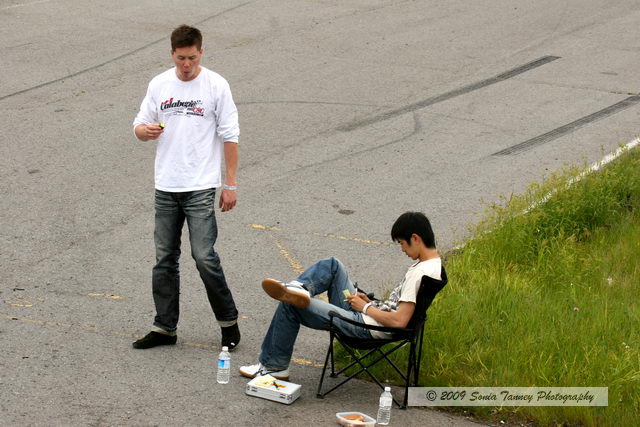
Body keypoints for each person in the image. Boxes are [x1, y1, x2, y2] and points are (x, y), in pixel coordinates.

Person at [131, 24, 241, 350]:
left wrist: (230, 184)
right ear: (172, 54)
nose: (187, 65)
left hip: (201, 186)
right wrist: (144, 132)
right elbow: (139, 124)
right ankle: (164, 327)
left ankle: (228, 322)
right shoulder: (159, 84)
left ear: (201, 53)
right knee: (164, 258)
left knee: (204, 256)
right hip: (166, 185)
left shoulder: (216, 85)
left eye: (192, 58)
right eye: (181, 58)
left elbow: (230, 136)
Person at [239, 211, 443, 380]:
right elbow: (398, 308)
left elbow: (399, 321)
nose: (402, 249)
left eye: (402, 243)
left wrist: (364, 308)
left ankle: (274, 367)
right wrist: (370, 302)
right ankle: (300, 287)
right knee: (334, 266)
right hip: (370, 316)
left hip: (365, 327)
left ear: (415, 238)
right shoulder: (433, 266)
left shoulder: (419, 273)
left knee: (290, 302)